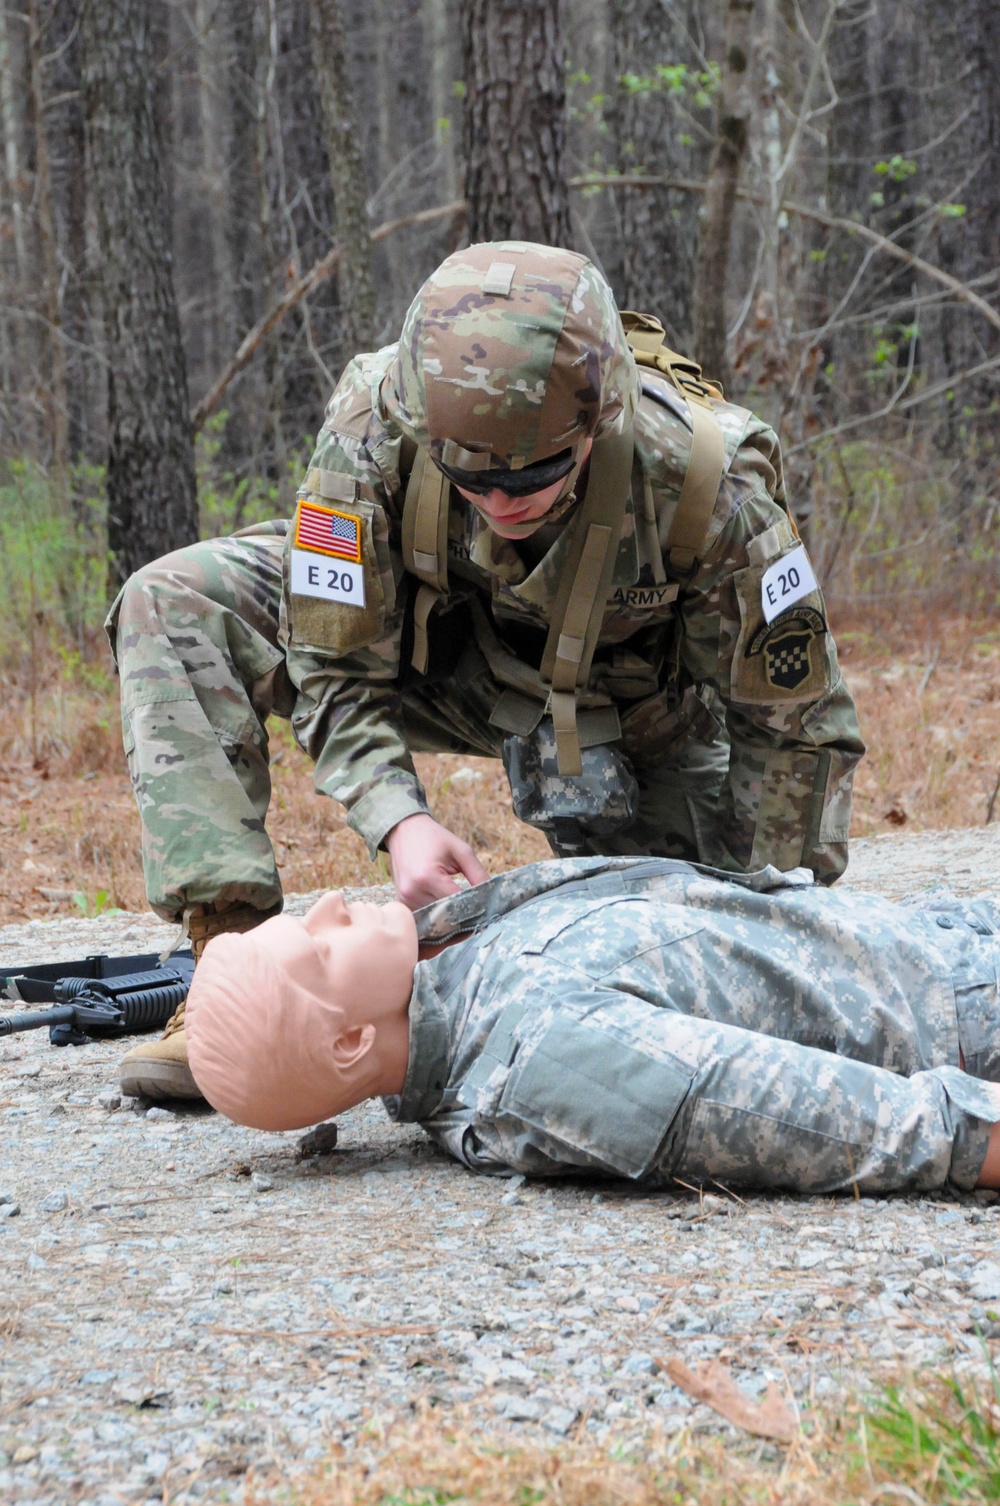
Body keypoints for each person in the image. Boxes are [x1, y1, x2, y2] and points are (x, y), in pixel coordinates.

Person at [111, 241, 863, 1101]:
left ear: (598, 425)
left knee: (670, 952)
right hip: (439, 663)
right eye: (470, 476)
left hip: (629, 718)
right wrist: (399, 821)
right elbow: (333, 659)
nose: (502, 504)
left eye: (535, 476)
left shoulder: (704, 483)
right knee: (173, 599)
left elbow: (799, 729)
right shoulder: (374, 426)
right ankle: (224, 967)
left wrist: (763, 935)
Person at [183, 856, 1000, 1197]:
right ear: (351, 1042)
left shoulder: (448, 966)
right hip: (965, 1009)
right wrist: (974, 1140)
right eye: (317, 947)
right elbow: (812, 1117)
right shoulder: (543, 1066)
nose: (328, 905)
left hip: (942, 934)